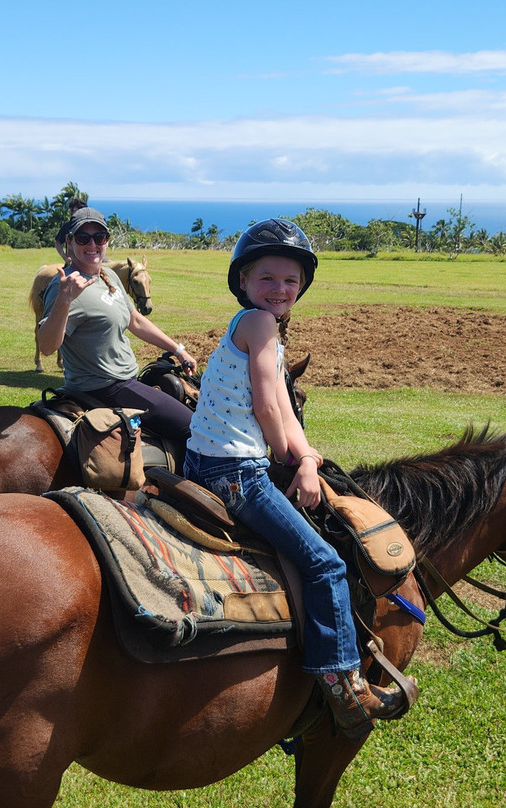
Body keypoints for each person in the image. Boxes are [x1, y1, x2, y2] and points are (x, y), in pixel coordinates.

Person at [183, 218, 406, 740]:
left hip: (208, 461)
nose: (280, 289)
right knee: (325, 563)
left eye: (290, 280)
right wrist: (290, 455)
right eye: (268, 279)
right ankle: (341, 680)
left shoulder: (262, 328)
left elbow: (282, 402)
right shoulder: (259, 325)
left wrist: (306, 456)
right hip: (234, 472)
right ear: (244, 283)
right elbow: (267, 406)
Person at [36, 207, 197, 443]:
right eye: (83, 238)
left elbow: (135, 320)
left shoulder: (107, 276)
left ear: (107, 241)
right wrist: (64, 300)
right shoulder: (65, 286)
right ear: (69, 242)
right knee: (193, 427)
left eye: (99, 237)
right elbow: (48, 346)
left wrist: (178, 350)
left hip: (125, 380)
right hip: (105, 387)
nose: (92, 244)